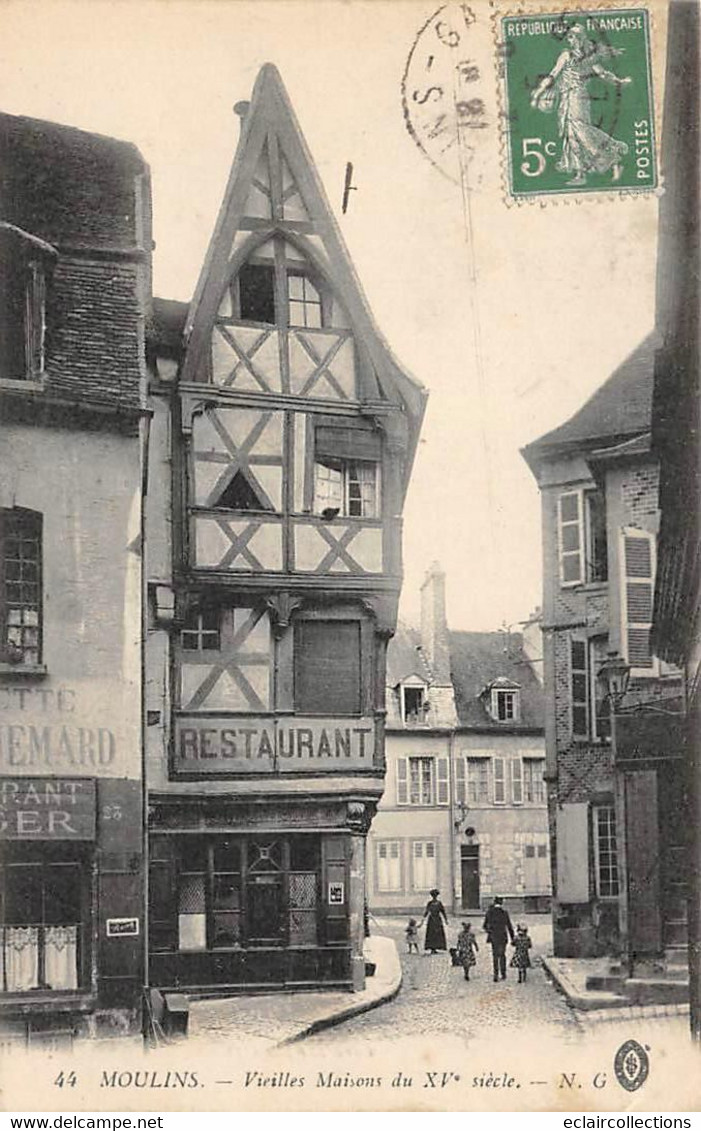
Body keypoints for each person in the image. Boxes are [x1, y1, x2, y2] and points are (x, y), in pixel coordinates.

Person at [530, 23, 632, 186]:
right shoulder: (566, 55)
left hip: (577, 97)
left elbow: (603, 73)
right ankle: (582, 165)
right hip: (567, 96)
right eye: (570, 37)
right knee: (572, 132)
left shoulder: (587, 57)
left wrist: (619, 81)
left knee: (578, 130)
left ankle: (604, 155)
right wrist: (539, 90)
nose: (573, 40)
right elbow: (553, 74)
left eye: (576, 37)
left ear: (581, 39)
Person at [483, 896, 515, 982]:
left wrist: (490, 931)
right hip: (503, 936)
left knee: (495, 955)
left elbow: (484, 926)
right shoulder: (504, 913)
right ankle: (503, 974)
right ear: (501, 903)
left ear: (494, 902)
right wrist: (513, 938)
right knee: (502, 955)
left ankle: (495, 975)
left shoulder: (490, 912)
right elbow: (509, 926)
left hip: (494, 937)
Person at [421, 888, 448, 954]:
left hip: (435, 919)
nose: (434, 897)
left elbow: (443, 912)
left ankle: (436, 947)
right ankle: (433, 948)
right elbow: (426, 912)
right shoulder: (431, 903)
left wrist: (446, 919)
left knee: (436, 933)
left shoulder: (437, 903)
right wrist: (423, 919)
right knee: (432, 933)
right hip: (434, 920)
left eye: (435, 896)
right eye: (434, 896)